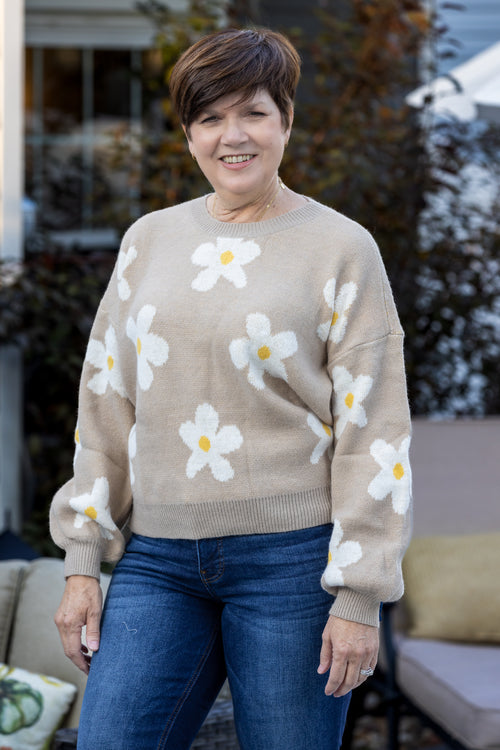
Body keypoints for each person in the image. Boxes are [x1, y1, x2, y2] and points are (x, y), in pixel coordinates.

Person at [50, 27, 412, 750]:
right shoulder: (148, 240)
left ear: (286, 121)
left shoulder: (341, 248)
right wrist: (82, 561)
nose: (232, 136)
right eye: (210, 118)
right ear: (189, 135)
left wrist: (359, 593)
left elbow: (375, 428)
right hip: (158, 559)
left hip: (292, 565)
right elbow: (106, 401)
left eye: (253, 112)